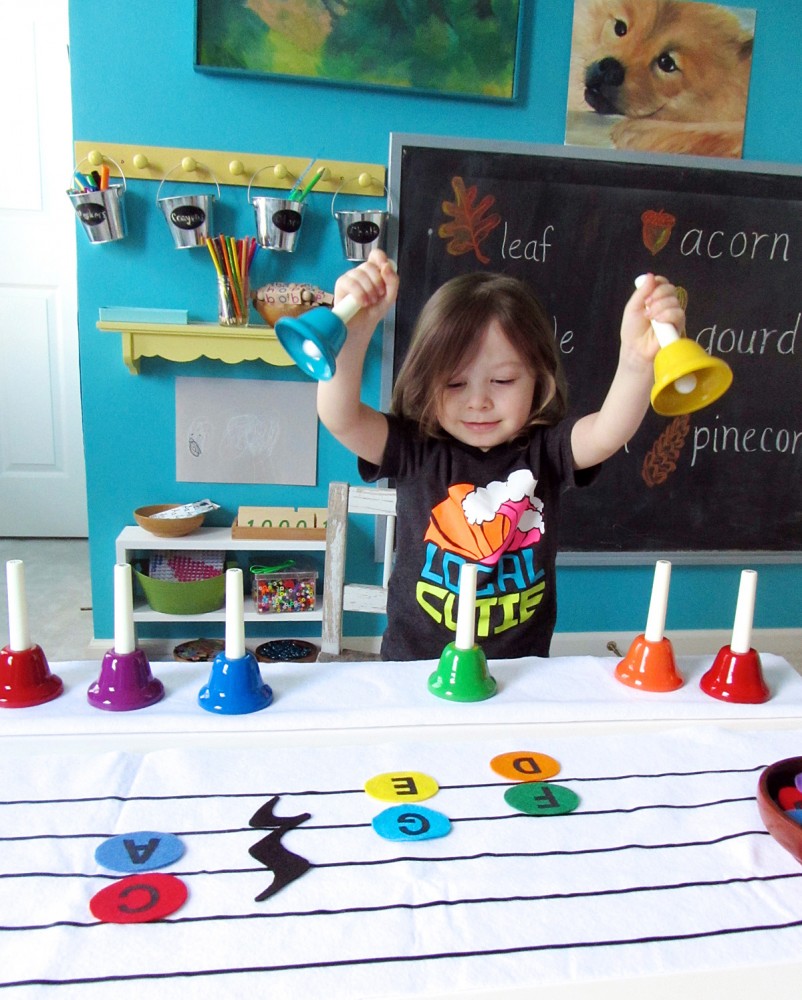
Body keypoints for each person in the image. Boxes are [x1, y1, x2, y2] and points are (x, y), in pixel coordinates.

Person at [317, 250, 685, 661]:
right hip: (415, 669)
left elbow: (609, 431)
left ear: (538, 379)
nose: (479, 401)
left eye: (503, 380)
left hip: (518, 674)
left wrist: (637, 362)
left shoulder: (545, 450)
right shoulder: (415, 448)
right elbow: (340, 417)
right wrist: (353, 334)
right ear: (426, 380)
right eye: (455, 384)